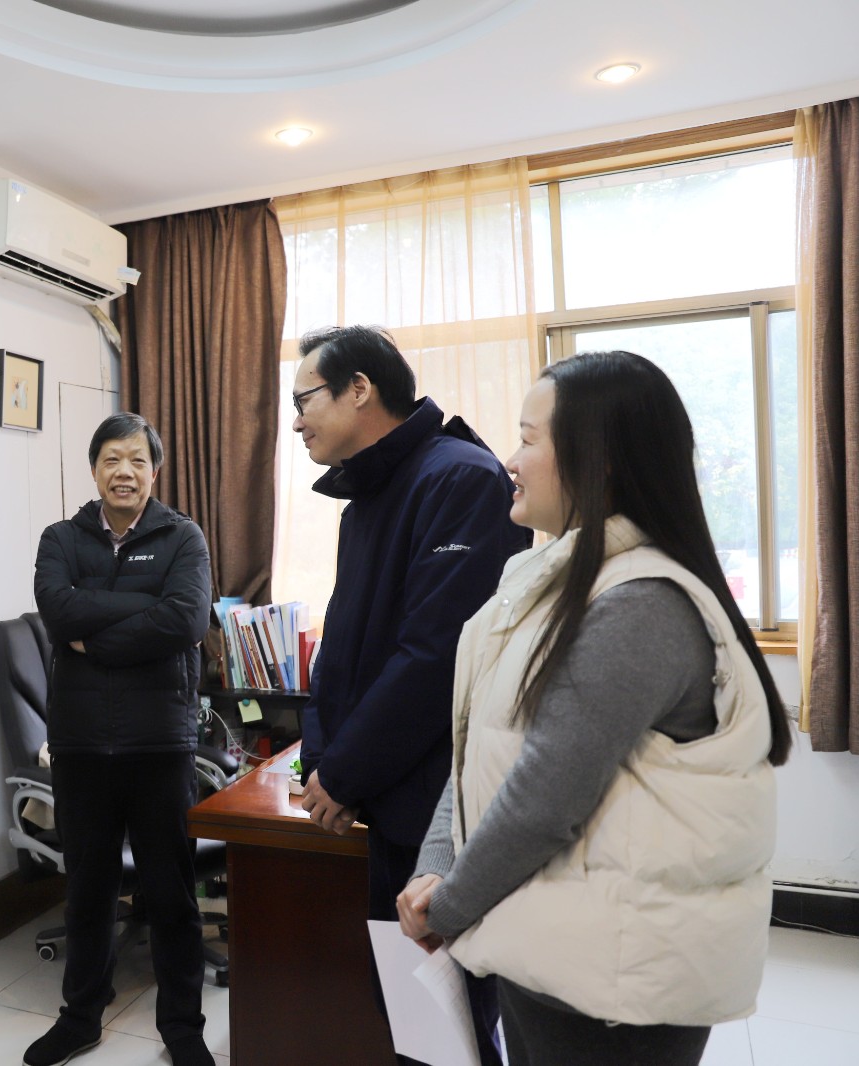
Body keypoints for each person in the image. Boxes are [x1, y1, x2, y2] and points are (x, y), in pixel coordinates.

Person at [396, 351, 793, 1066]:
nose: (509, 460)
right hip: (546, 949)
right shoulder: (546, 581)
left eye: (527, 438)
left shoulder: (639, 606)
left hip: (612, 986)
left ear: (598, 460)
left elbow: (543, 799)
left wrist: (448, 905)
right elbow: (480, 740)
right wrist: (436, 864)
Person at [291, 325, 528, 1064]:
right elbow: (343, 650)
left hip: (435, 805)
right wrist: (322, 766)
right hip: (385, 796)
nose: (295, 422)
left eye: (303, 400)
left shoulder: (460, 479)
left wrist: (344, 773)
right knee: (408, 1007)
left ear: (359, 389)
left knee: (451, 1009)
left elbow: (435, 660)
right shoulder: (369, 495)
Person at [25, 412, 216, 1066]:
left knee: (171, 893)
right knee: (87, 892)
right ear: (94, 469)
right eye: (111, 459)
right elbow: (57, 611)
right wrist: (142, 611)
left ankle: (182, 1027)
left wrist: (93, 639)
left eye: (136, 460)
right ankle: (80, 1018)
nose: (124, 472)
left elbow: (186, 618)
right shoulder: (60, 538)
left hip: (159, 742)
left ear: (154, 471)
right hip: (80, 743)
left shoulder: (182, 536)